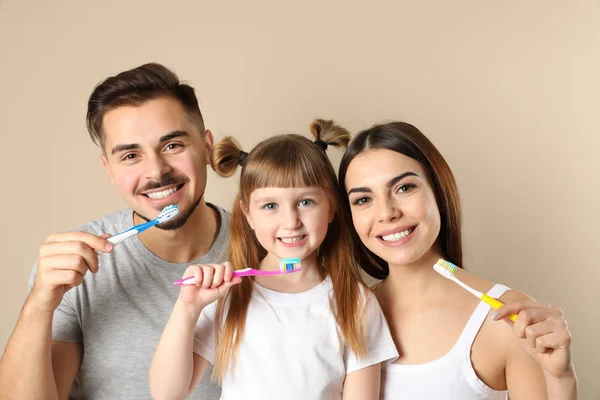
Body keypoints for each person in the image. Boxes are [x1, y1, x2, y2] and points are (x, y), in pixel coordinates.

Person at [0, 63, 226, 400]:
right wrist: (39, 305)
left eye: (173, 146)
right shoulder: (75, 269)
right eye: (131, 155)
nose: (156, 171)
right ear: (109, 168)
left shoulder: (269, 250)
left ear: (207, 147)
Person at [149, 119, 399, 400]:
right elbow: (167, 394)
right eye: (270, 206)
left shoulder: (356, 302)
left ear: (331, 207)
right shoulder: (228, 295)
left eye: (306, 202)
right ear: (248, 215)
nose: (290, 221)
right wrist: (187, 309)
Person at [337, 121, 578, 399]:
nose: (387, 213)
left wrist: (561, 380)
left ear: (438, 192)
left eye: (404, 188)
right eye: (363, 200)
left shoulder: (508, 317)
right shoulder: (343, 316)